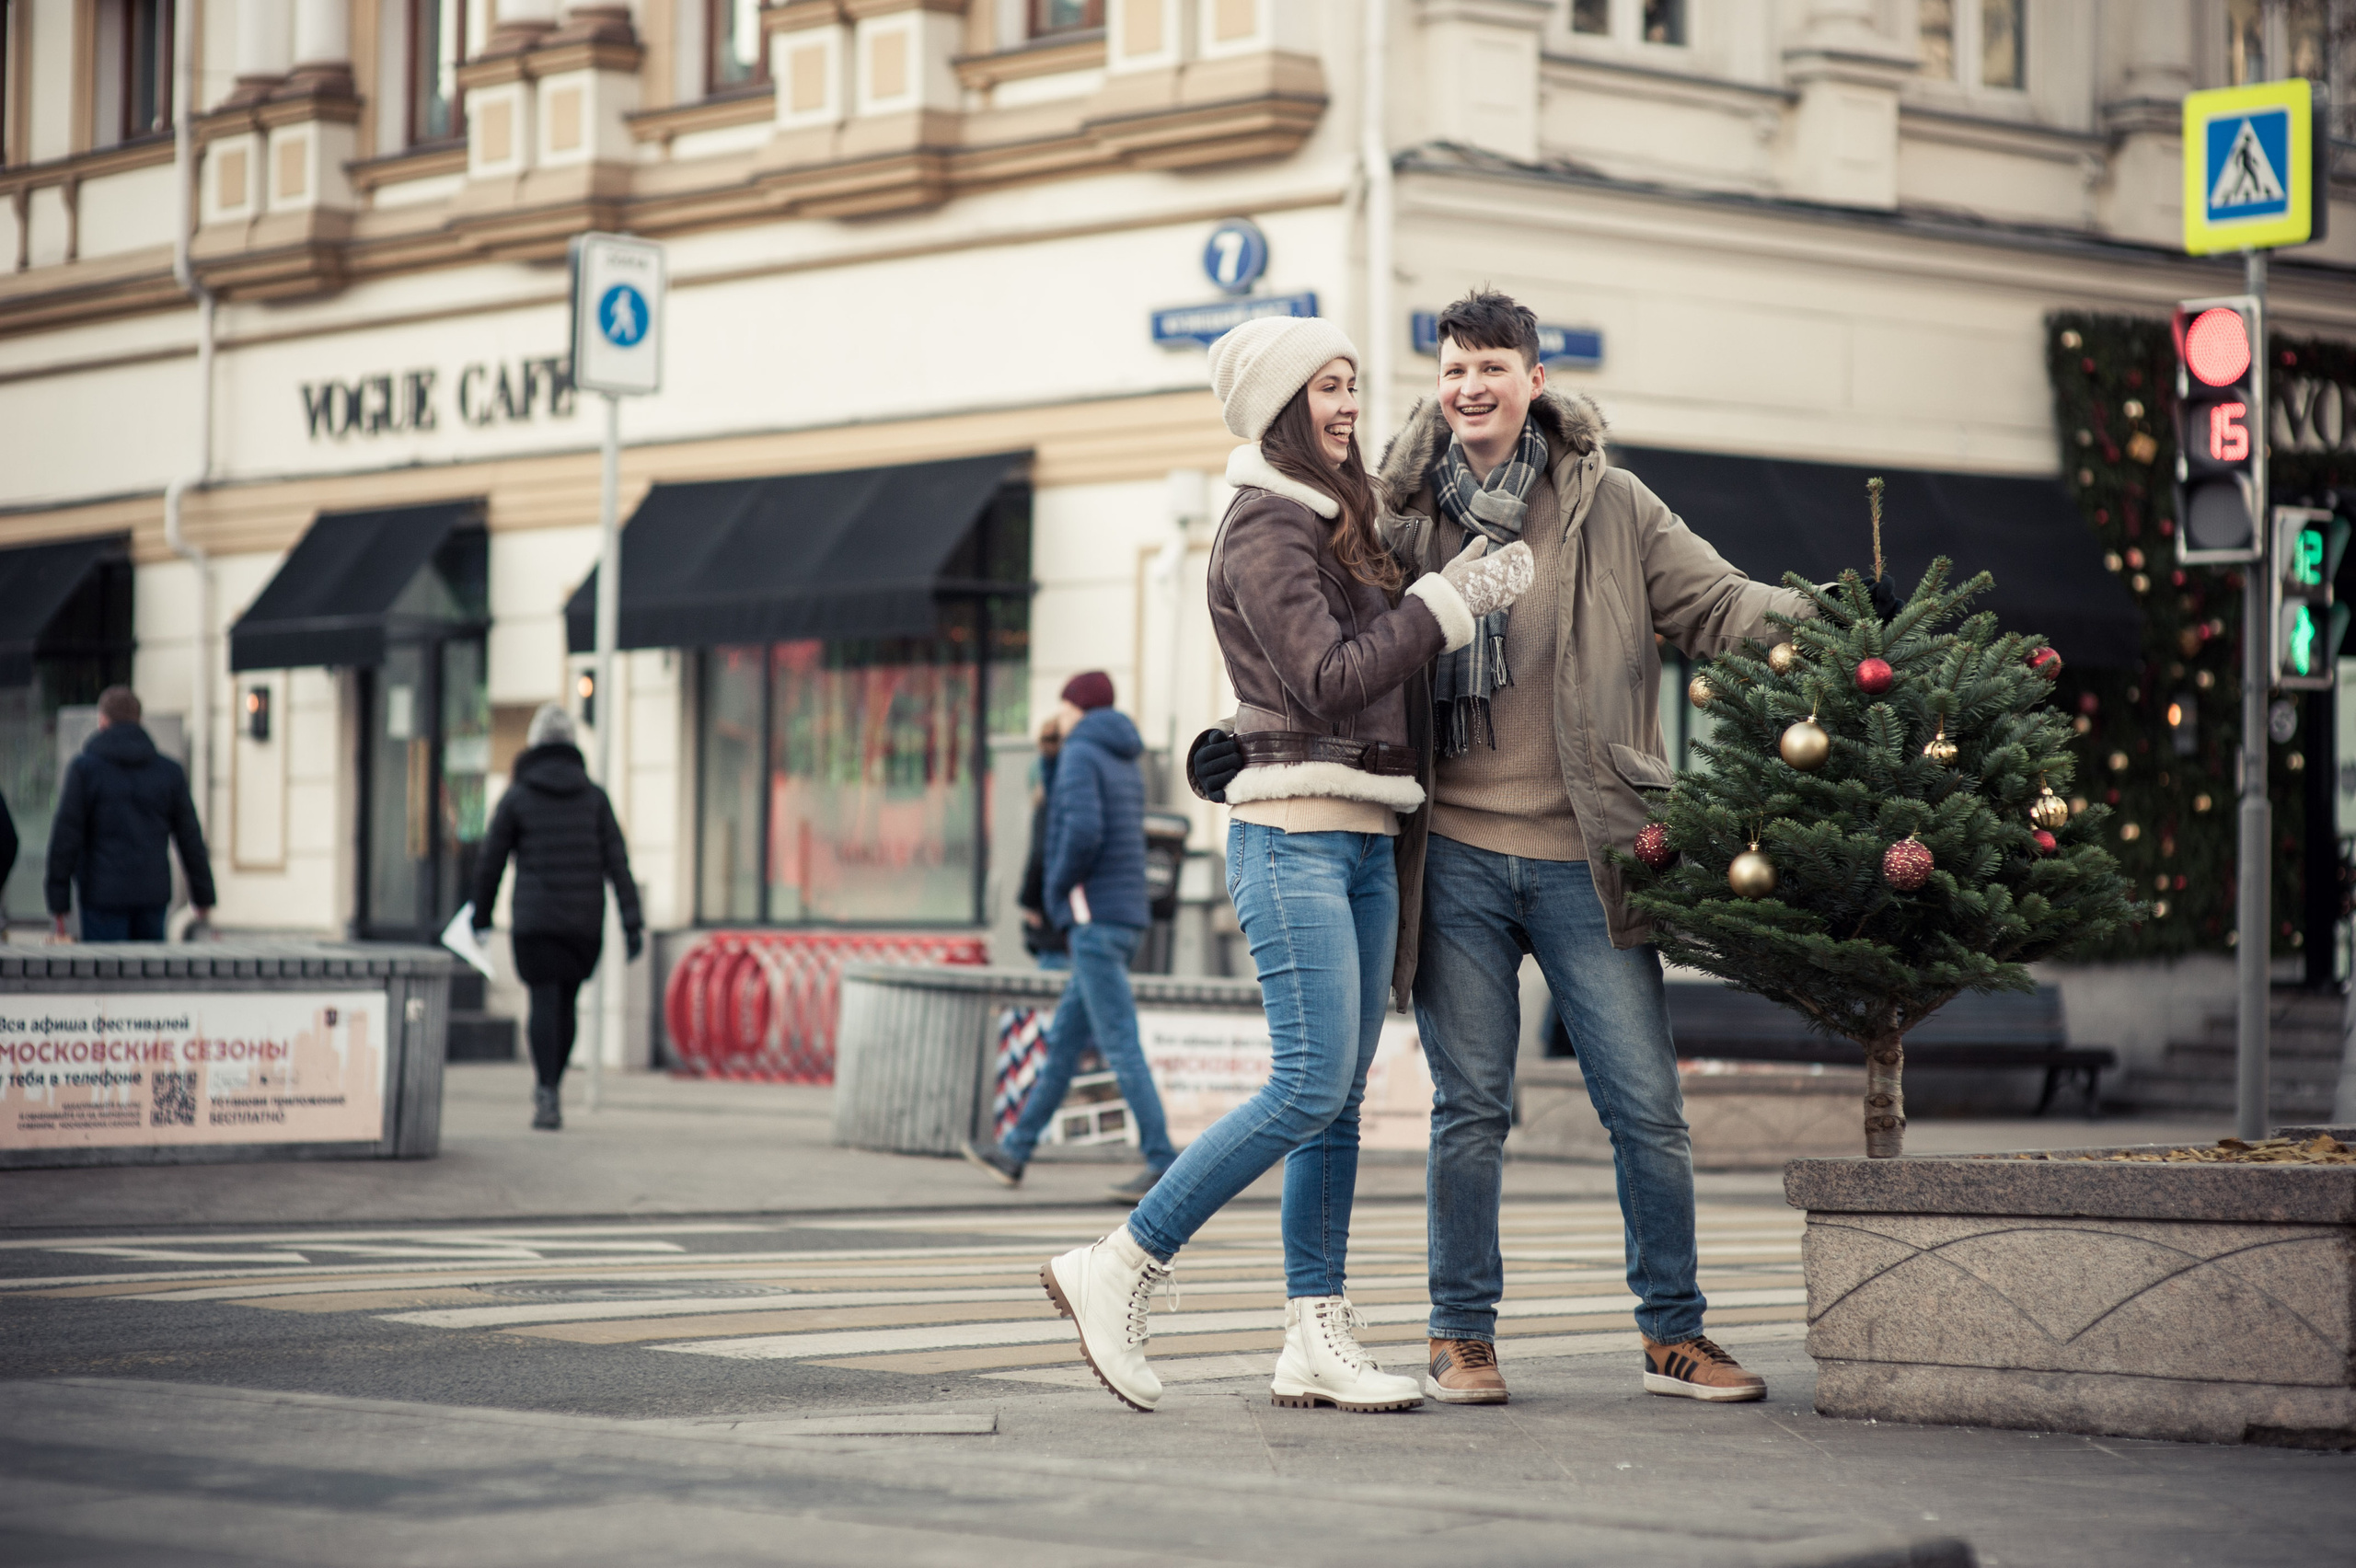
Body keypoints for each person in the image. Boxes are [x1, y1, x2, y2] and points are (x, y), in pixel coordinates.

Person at [1195, 292, 1892, 1406]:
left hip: (1587, 852)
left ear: (1534, 380)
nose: (1470, 386)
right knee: (1470, 1109)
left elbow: (1717, 606)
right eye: (1453, 367)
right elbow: (1321, 657)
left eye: (1492, 366)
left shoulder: (1609, 505)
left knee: (1645, 1105)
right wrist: (1238, 742)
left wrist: (1834, 618)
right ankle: (1459, 1334)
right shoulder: (1397, 517)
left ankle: (1674, 1333)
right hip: (1451, 857)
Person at [1042, 316, 1531, 1415]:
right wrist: (1445, 607)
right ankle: (1121, 1261)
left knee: (1337, 1103)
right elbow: (1325, 676)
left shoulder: (1339, 518)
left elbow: (1314, 687)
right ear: (1278, 404)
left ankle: (1313, 1333)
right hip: (1292, 840)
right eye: (1326, 387)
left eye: (1353, 383)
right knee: (1307, 1083)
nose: (1349, 404)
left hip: (1364, 839)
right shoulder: (1266, 522)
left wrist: (1445, 590)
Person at [962, 674, 1173, 1201]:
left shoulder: (1082, 751)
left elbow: (1080, 830)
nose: (1059, 716)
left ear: (1078, 708)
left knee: (1120, 1043)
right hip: (1123, 915)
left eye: (1064, 707)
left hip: (1092, 916)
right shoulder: (1122, 755)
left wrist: (1056, 891)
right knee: (1064, 1045)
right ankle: (1015, 1151)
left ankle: (1163, 1163)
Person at [470, 704, 644, 1131]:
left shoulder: (517, 796)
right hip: (582, 922)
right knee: (566, 1005)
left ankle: (546, 1089)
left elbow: (491, 861)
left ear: (534, 744)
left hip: (535, 922)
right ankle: (553, 1086)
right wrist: (632, 922)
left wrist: (480, 915)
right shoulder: (595, 798)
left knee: (543, 1002)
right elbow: (618, 863)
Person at [44, 686, 214, 941]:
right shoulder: (169, 772)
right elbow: (190, 838)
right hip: (152, 895)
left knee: (105, 965)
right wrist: (203, 896)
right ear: (139, 720)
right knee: (147, 964)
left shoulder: (85, 770)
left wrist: (58, 900)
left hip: (101, 896)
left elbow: (66, 837)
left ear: (103, 720)